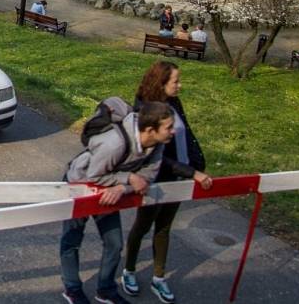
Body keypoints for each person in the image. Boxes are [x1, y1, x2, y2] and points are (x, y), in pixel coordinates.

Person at [60, 100, 176, 304]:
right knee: (72, 240)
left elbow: (148, 176)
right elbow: (93, 176)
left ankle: (105, 289)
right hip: (79, 185)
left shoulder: (158, 144)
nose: (173, 131)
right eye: (169, 127)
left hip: (110, 190)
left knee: (114, 244)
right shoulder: (115, 144)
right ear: (150, 129)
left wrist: (123, 187)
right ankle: (72, 288)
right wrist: (129, 179)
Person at [122, 61, 212, 304]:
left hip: (181, 176)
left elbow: (186, 134)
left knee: (164, 228)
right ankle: (129, 270)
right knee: (143, 225)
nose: (180, 86)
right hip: (157, 178)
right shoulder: (146, 110)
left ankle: (158, 277)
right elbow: (157, 156)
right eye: (175, 82)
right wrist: (191, 172)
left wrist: (196, 163)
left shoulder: (174, 103)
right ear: (161, 83)